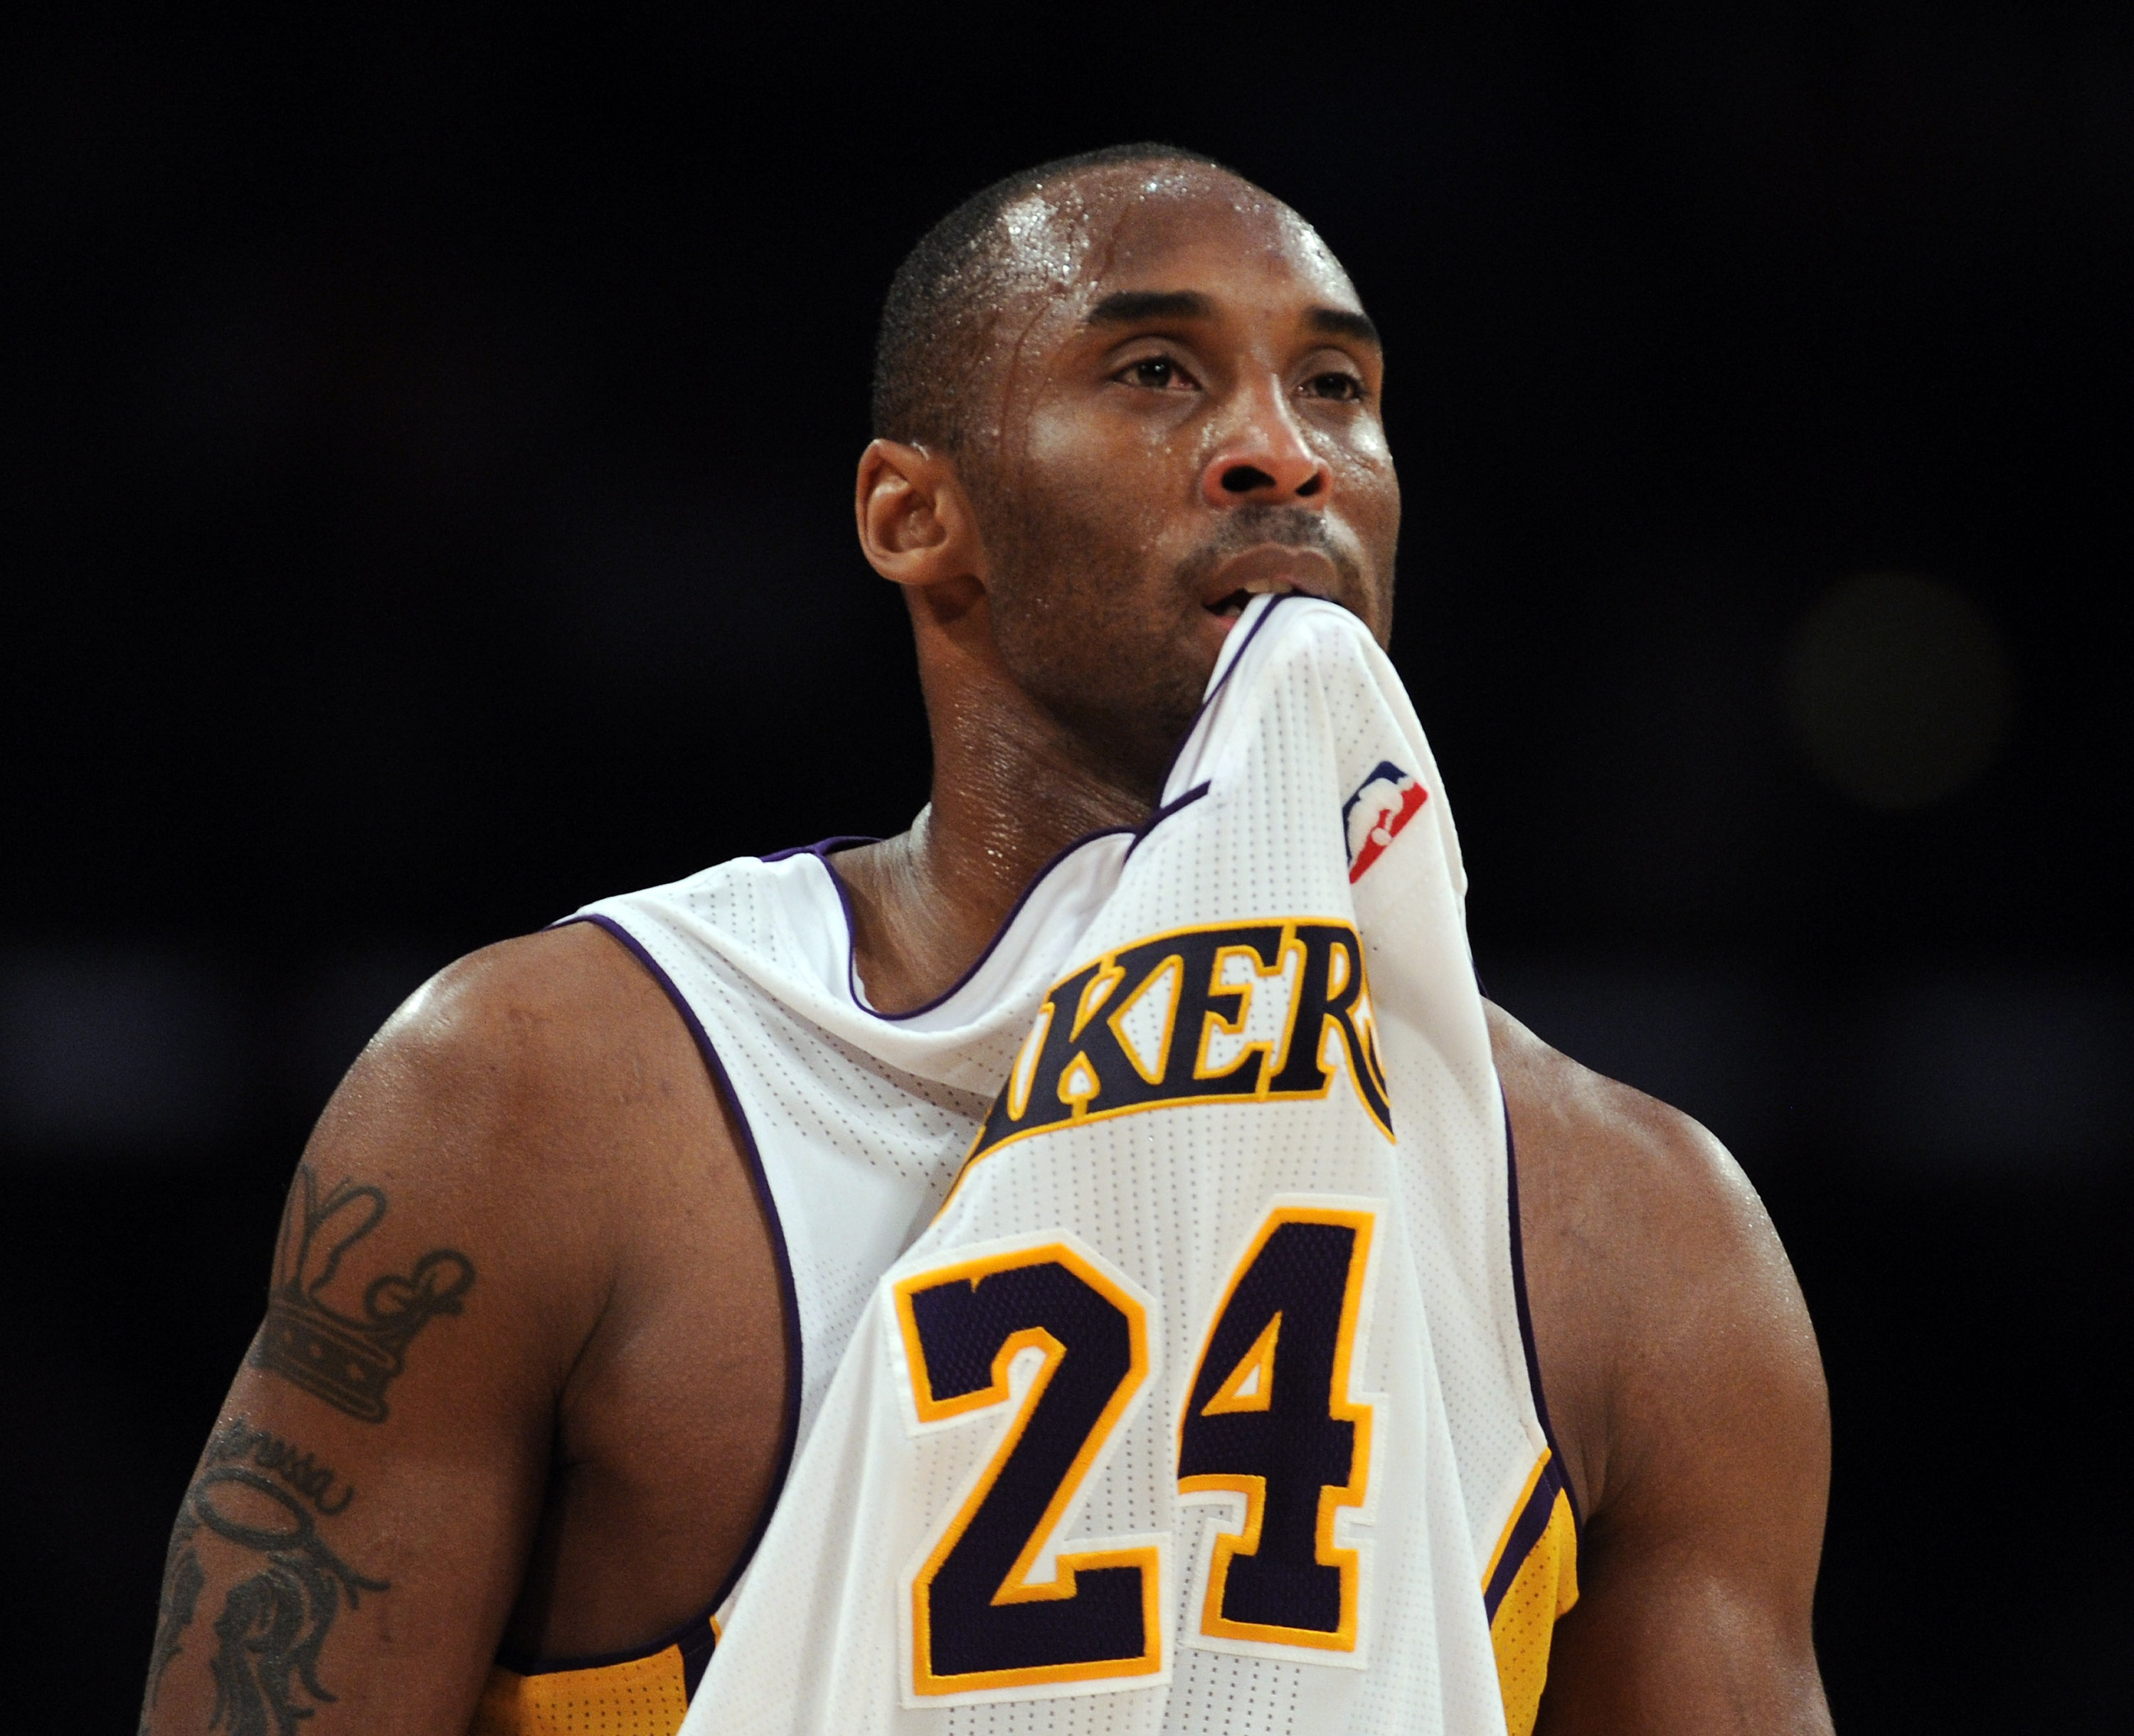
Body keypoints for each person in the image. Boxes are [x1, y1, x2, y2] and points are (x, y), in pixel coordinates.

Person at [139, 144, 1832, 1735]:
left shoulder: (1641, 1237)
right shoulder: (547, 1098)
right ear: (909, 516)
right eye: (1157, 371)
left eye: (1337, 389)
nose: (1283, 450)